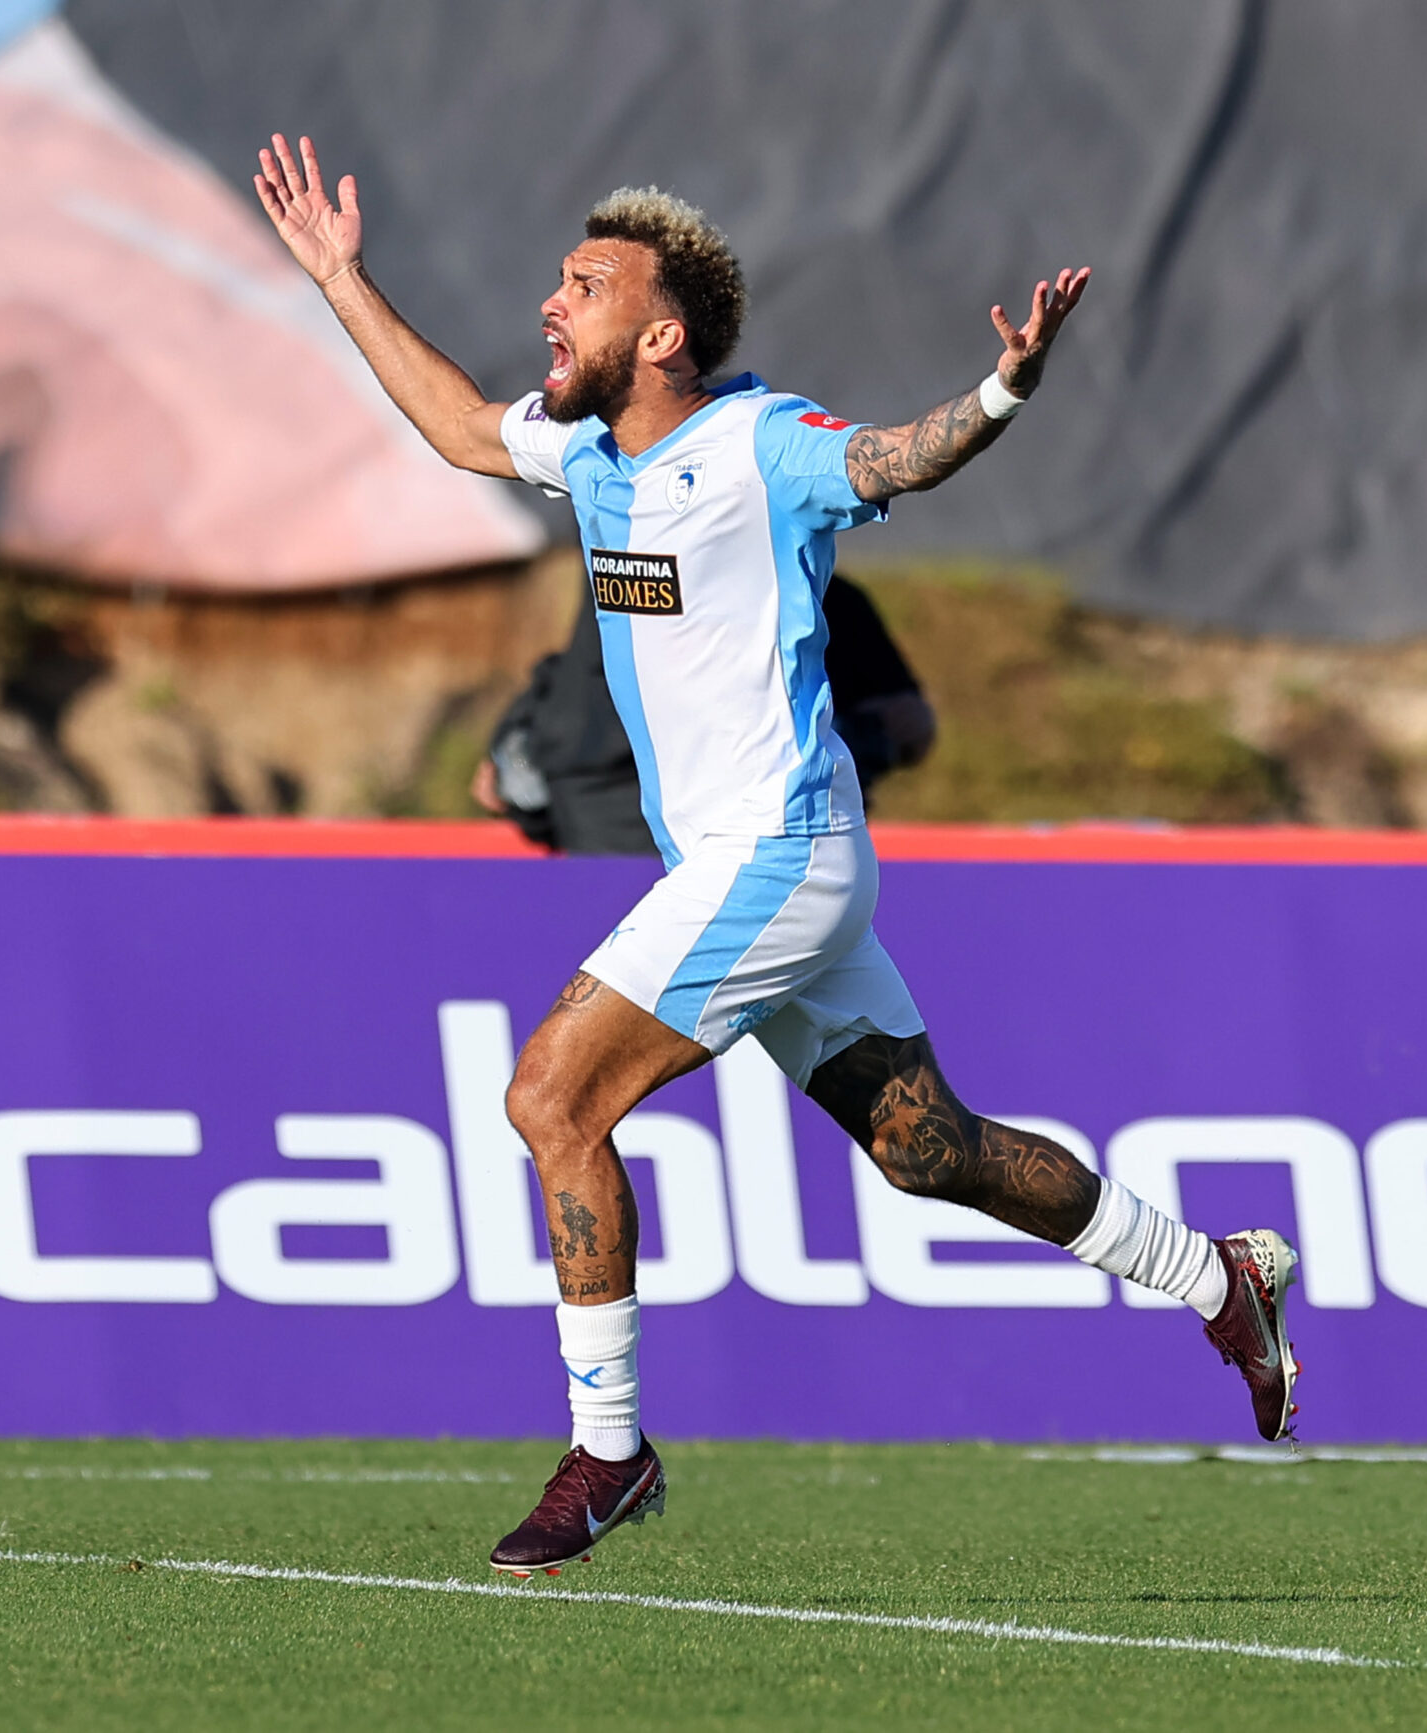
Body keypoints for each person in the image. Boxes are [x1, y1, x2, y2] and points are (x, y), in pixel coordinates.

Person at [256, 137, 1299, 1579]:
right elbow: (454, 426)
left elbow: (896, 456)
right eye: (559, 278)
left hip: (779, 854)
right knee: (930, 1151)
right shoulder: (587, 450)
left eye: (586, 285)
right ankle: (1215, 1274)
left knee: (551, 1095)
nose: (553, 301)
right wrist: (339, 278)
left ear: (661, 336)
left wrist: (1003, 388)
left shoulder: (759, 444)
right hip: (752, 866)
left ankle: (609, 1452)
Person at [474, 571, 935, 855]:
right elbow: (911, 724)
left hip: (627, 852)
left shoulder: (624, 586)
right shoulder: (816, 597)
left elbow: (505, 780)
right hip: (761, 859)